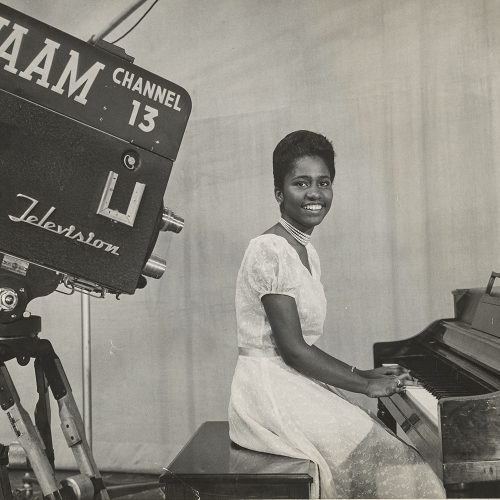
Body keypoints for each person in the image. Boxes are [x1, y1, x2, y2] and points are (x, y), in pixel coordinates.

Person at [228, 130, 446, 499]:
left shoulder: (305, 250)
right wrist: (363, 383)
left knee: (385, 452)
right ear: (279, 193)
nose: (315, 194)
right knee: (392, 457)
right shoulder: (269, 249)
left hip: (291, 382)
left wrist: (361, 374)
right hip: (268, 392)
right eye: (301, 183)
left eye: (323, 183)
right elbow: (294, 349)